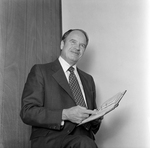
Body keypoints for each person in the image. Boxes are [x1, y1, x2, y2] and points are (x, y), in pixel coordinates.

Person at [20, 29, 103, 148]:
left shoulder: (88, 79)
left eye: (82, 45)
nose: (77, 47)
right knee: (84, 143)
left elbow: (92, 126)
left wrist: (97, 118)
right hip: (53, 140)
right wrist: (65, 114)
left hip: (85, 141)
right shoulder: (41, 71)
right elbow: (27, 112)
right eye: (73, 42)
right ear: (62, 44)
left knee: (85, 142)